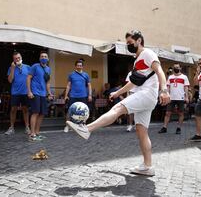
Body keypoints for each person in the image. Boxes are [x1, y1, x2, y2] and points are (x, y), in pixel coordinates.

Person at [66, 30, 170, 176]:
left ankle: (87, 129)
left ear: (139, 40)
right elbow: (133, 83)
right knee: (142, 132)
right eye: (127, 43)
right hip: (145, 96)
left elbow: (159, 71)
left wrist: (164, 90)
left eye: (130, 43)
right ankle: (148, 166)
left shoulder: (148, 53)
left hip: (146, 95)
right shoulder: (137, 60)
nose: (128, 45)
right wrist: (117, 92)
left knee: (118, 108)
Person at [27, 51, 53, 142]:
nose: (44, 57)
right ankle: (32, 133)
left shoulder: (48, 69)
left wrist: (49, 93)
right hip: (35, 92)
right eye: (42, 56)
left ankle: (37, 132)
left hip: (43, 94)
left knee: (42, 113)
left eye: (45, 56)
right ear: (39, 58)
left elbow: (48, 82)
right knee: (35, 112)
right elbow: (28, 78)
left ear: (48, 59)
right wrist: (29, 91)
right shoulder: (35, 66)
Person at [158, 63, 190, 134]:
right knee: (167, 113)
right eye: (175, 67)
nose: (176, 68)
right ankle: (164, 127)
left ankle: (179, 128)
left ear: (180, 68)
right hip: (171, 98)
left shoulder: (184, 77)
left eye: (177, 67)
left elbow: (186, 87)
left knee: (181, 114)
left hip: (181, 98)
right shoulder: (170, 77)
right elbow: (168, 87)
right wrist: (167, 95)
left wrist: (186, 97)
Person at [5, 52, 31, 135]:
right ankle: (11, 127)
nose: (17, 59)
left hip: (25, 92)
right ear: (13, 60)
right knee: (13, 110)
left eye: (18, 58)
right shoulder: (11, 68)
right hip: (15, 92)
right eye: (16, 58)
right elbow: (10, 80)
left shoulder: (28, 67)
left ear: (21, 57)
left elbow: (31, 79)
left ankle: (27, 127)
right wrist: (12, 69)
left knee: (25, 110)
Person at [64, 59, 92, 132]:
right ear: (75, 66)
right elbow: (68, 85)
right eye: (78, 65)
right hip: (73, 95)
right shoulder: (71, 74)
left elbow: (89, 86)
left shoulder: (86, 75)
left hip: (83, 96)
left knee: (83, 111)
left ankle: (82, 125)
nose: (79, 66)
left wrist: (90, 95)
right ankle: (67, 126)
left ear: (82, 66)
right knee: (70, 111)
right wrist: (66, 95)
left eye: (80, 65)